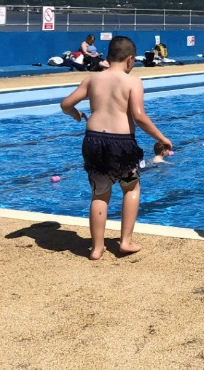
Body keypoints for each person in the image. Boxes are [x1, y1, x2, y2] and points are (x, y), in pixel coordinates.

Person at [59, 36, 173, 260]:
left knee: (99, 193)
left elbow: (65, 104)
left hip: (93, 140)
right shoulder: (133, 82)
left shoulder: (92, 79)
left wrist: (75, 114)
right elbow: (139, 117)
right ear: (130, 60)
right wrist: (162, 138)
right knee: (130, 188)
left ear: (109, 56)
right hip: (121, 143)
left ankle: (97, 248)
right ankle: (126, 241)